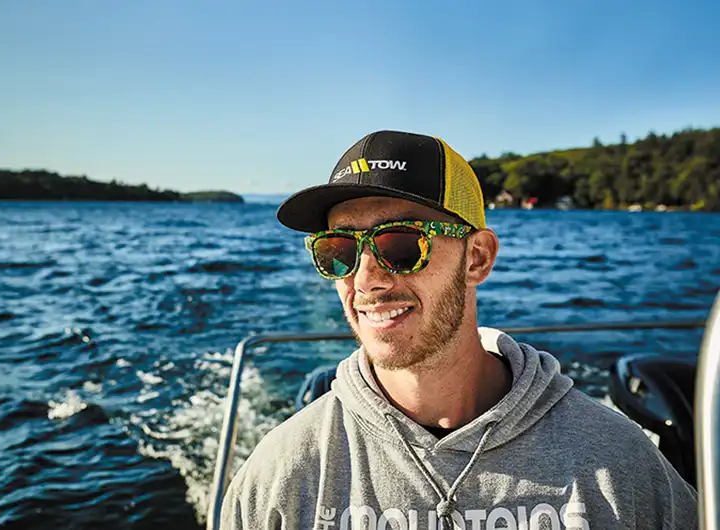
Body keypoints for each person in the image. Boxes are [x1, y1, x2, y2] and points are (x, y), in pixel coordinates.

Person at [220, 130, 697, 529]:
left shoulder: (619, 467)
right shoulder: (282, 476)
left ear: (477, 258)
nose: (365, 278)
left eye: (402, 245)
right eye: (338, 251)